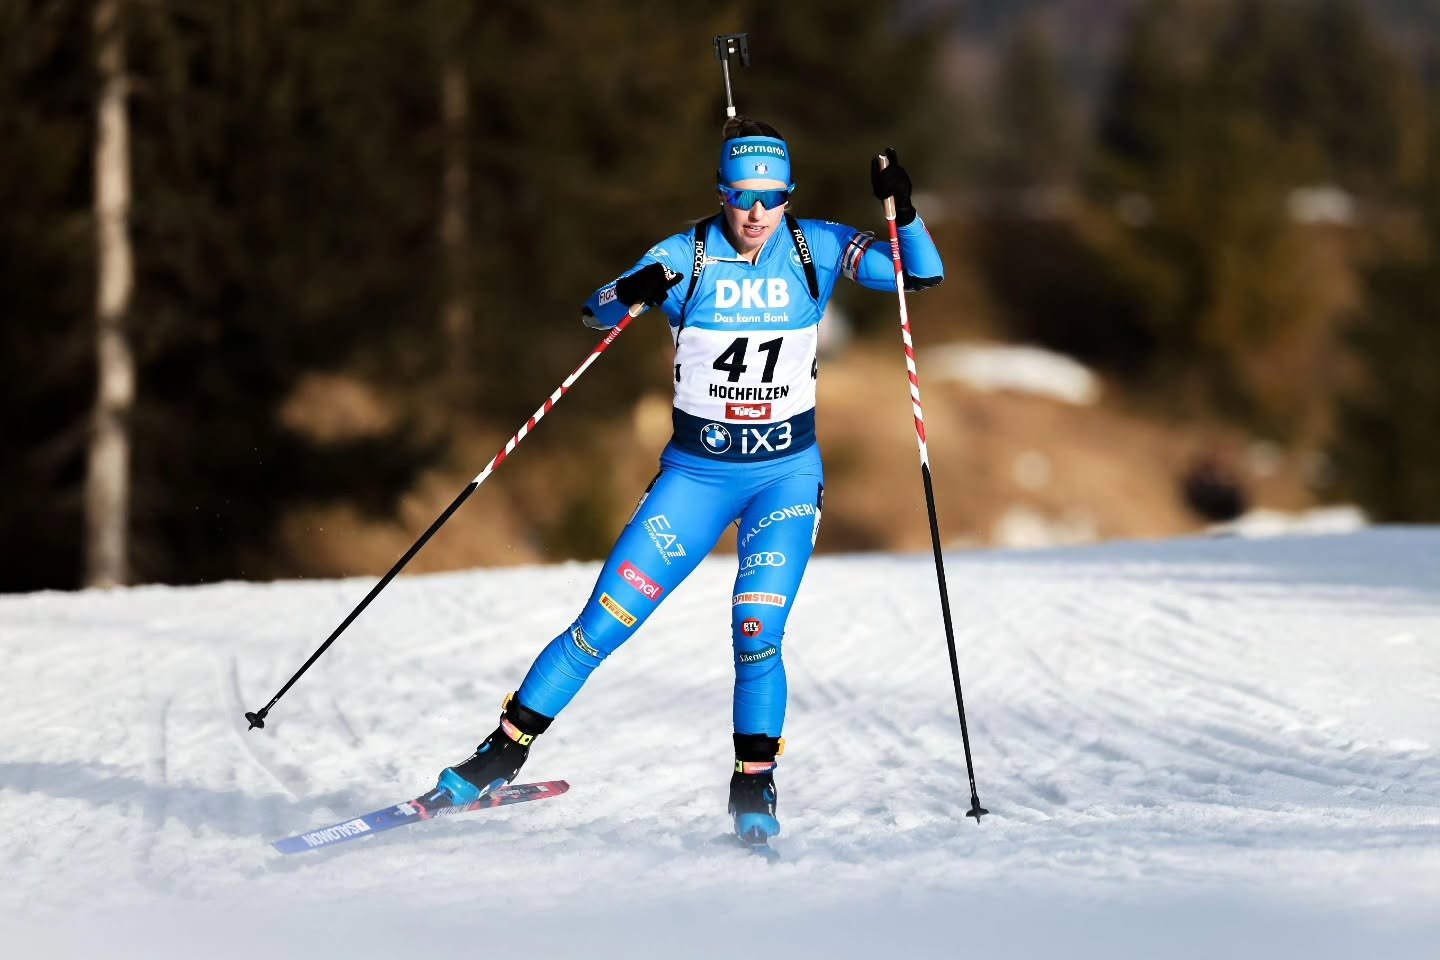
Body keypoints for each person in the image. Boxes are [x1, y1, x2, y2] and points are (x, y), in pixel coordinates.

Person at [423, 116, 945, 844]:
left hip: (783, 480)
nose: (757, 213)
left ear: (788, 195)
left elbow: (918, 276)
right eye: (742, 197)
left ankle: (754, 787)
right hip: (696, 478)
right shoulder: (686, 255)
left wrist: (906, 212)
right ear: (721, 193)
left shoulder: (815, 246)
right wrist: (630, 289)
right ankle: (500, 754)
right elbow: (595, 310)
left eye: (771, 197)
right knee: (602, 623)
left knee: (756, 630)